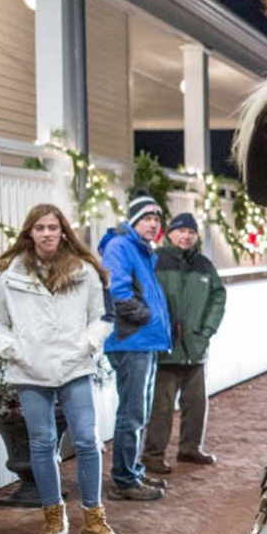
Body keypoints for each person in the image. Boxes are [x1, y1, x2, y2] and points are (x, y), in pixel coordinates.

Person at [0, 204, 128, 534]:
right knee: (41, 443)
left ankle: (94, 520)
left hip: (74, 367)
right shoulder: (9, 276)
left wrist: (87, 344)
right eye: (39, 228)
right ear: (29, 233)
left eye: (52, 226)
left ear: (63, 231)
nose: (47, 233)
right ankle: (53, 520)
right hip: (29, 369)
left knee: (87, 441)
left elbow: (104, 316)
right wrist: (12, 350)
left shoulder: (84, 272)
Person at [98, 193, 172, 501]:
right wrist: (145, 317)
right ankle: (124, 480)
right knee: (132, 411)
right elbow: (117, 291)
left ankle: (132, 472)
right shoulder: (120, 246)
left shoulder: (142, 251)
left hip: (145, 341)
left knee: (139, 411)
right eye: (147, 218)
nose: (153, 224)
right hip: (132, 341)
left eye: (156, 219)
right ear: (133, 220)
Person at [143, 213, 226, 474]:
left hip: (196, 347)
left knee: (196, 402)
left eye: (191, 232)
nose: (186, 236)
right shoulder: (156, 261)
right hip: (165, 349)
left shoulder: (203, 265)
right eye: (181, 231)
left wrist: (206, 331)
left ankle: (190, 449)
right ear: (169, 233)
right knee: (162, 406)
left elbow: (218, 296)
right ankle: (153, 455)